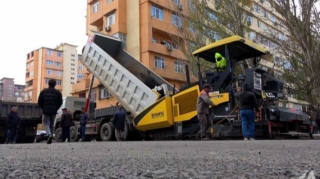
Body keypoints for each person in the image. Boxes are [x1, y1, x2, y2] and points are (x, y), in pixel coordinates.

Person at [37, 79, 63, 144]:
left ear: (48, 84)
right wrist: (56, 108)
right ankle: (50, 136)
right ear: (55, 84)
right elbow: (60, 102)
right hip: (54, 111)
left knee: (46, 123)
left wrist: (44, 108)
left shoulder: (43, 92)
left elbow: (39, 102)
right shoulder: (58, 92)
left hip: (46, 110)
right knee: (52, 124)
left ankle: (49, 135)